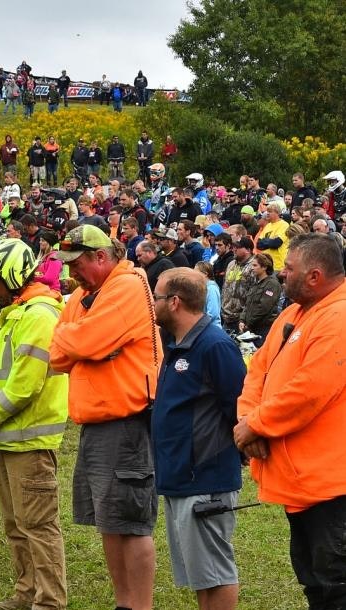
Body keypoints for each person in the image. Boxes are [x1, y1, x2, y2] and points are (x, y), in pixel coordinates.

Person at [50, 225, 161, 610]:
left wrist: (81, 342)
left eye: (76, 264)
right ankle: (124, 604)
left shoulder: (127, 286)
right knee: (109, 522)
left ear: (101, 257)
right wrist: (83, 343)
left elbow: (76, 341)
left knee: (130, 523)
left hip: (126, 421)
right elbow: (59, 353)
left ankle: (139, 606)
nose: (70, 274)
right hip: (97, 422)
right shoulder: (86, 293)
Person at [235, 234, 346, 610]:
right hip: (303, 483)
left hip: (333, 486)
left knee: (335, 586)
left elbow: (309, 390)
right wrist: (247, 419)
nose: (283, 274)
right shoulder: (294, 312)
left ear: (314, 276)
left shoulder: (339, 315)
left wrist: (256, 425)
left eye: (289, 269)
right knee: (315, 582)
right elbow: (257, 371)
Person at [0, 239, 70, 610]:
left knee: (39, 527)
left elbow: (24, 386)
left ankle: (49, 601)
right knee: (16, 525)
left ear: (11, 275)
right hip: (6, 439)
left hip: (28, 441)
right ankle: (26, 593)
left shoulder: (39, 316)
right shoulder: (13, 312)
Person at [150, 268, 244, 610]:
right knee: (201, 576)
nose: (153, 303)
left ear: (175, 302)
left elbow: (239, 407)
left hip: (205, 478)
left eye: (157, 297)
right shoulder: (177, 344)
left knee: (215, 573)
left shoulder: (215, 346)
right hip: (180, 478)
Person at [239, 253, 281, 342]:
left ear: (264, 267)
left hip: (263, 330)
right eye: (251, 265)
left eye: (255, 265)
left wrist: (248, 324)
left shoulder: (272, 284)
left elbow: (264, 308)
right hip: (251, 329)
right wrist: (242, 320)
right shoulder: (255, 284)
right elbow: (247, 305)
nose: (252, 268)